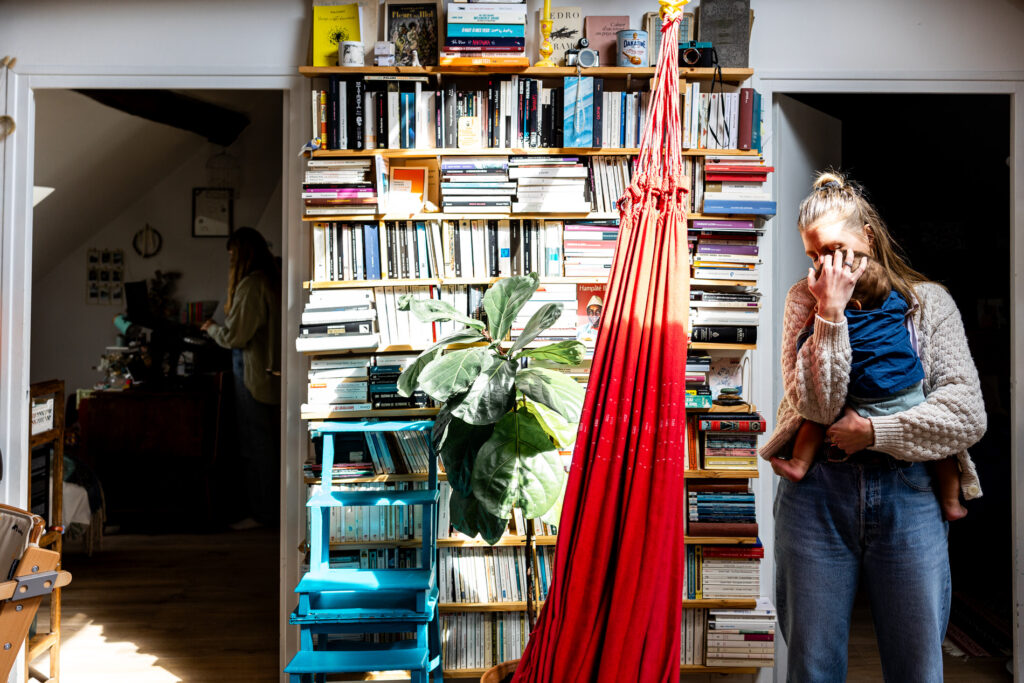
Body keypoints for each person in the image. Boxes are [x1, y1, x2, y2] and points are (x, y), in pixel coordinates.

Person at [760, 172, 986, 682]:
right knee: (812, 666)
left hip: (909, 490)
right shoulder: (807, 299)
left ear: (867, 234)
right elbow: (817, 405)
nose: (826, 265)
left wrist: (876, 433)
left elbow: (966, 413)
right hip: (816, 494)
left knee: (916, 666)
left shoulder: (928, 302)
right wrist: (830, 315)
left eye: (837, 248)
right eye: (815, 255)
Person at [777, 252, 967, 521]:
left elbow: (807, 354)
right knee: (941, 453)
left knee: (814, 421)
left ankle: (798, 464)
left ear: (850, 302)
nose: (819, 261)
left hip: (862, 400)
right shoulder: (897, 305)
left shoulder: (845, 320)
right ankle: (951, 502)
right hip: (909, 393)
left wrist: (821, 316)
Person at [201, 227, 281, 529]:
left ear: (241, 254)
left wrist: (210, 328)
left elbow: (235, 335)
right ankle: (268, 512)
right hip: (265, 376)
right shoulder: (271, 278)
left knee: (255, 447)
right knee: (264, 446)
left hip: (252, 377)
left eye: (232, 255)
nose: (231, 261)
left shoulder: (251, 285)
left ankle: (263, 515)